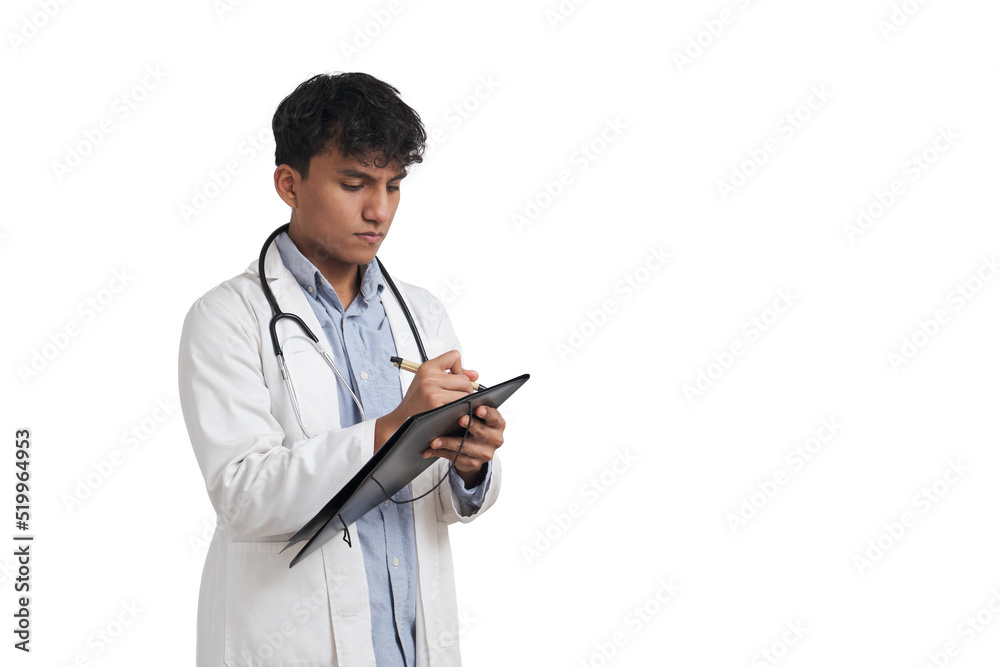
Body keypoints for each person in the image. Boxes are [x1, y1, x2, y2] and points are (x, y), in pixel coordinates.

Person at [177, 72, 506, 667]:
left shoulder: (423, 314)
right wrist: (394, 428)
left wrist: (471, 463)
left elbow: (436, 500)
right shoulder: (228, 317)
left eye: (393, 186)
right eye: (354, 183)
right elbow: (242, 494)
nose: (379, 210)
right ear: (289, 183)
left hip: (411, 645)